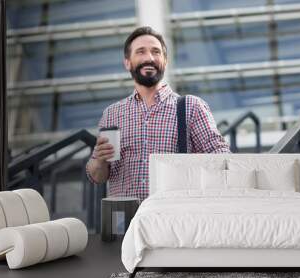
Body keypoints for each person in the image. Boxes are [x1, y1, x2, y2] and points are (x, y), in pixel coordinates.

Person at [86, 26, 230, 200]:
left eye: (156, 52)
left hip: (172, 216)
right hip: (125, 220)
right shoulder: (112, 114)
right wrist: (100, 161)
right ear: (127, 62)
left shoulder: (191, 106)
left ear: (165, 61)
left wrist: (193, 166)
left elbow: (222, 159)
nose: (149, 58)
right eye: (141, 52)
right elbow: (97, 177)